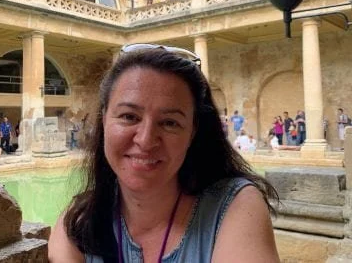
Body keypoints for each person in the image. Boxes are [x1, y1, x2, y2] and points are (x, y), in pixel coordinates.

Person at [48, 45, 280, 262]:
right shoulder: (79, 222)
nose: (146, 140)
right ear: (104, 119)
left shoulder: (235, 207)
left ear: (193, 132)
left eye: (169, 122)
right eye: (129, 116)